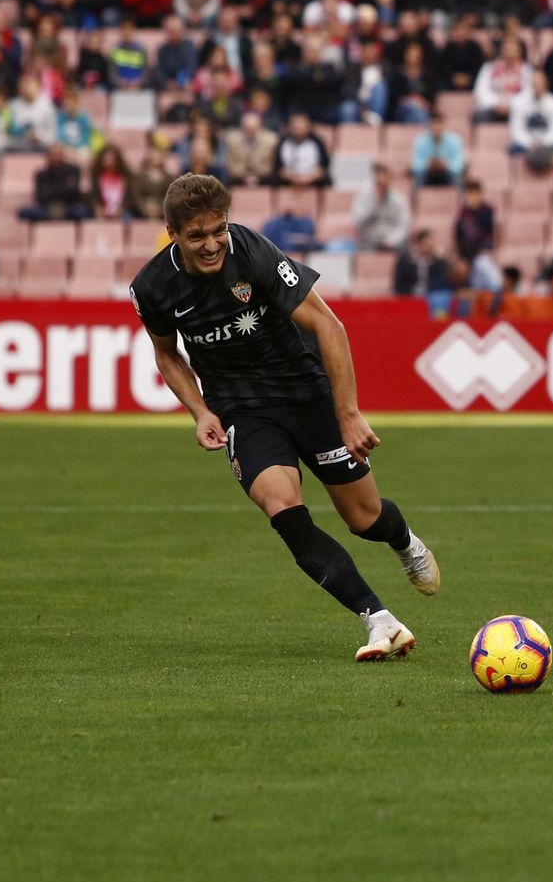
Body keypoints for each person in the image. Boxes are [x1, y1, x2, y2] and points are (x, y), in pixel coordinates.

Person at [128, 174, 439, 661]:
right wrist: (200, 410)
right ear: (172, 233)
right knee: (283, 509)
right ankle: (380, 622)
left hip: (305, 393)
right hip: (243, 410)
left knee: (364, 518)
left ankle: (403, 541)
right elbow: (167, 354)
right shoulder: (152, 287)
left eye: (218, 231)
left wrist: (349, 414)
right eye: (196, 236)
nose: (211, 245)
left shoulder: (252, 254)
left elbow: (327, 324)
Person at [19, 144, 92, 221]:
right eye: (54, 155)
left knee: (82, 211)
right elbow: (40, 196)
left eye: (59, 154)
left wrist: (50, 190)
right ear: (48, 156)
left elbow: (74, 193)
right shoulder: (41, 174)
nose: (56, 158)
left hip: (68, 207)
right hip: (47, 208)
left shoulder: (73, 170)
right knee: (24, 212)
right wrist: (65, 188)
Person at [352, 164, 411, 252]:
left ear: (389, 180)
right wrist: (374, 202)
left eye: (384, 182)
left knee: (405, 251)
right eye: (378, 183)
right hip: (369, 242)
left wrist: (392, 241)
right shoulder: (364, 198)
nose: (381, 185)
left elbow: (404, 225)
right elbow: (358, 221)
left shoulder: (399, 199)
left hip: (393, 242)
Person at [410, 113, 466, 187]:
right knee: (418, 178)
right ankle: (417, 198)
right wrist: (428, 164)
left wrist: (446, 165)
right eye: (433, 124)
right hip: (427, 173)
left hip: (448, 172)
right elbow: (415, 165)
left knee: (458, 178)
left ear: (443, 125)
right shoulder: (420, 141)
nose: (436, 127)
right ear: (429, 126)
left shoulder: (454, 140)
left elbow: (459, 164)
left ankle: (458, 198)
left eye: (438, 124)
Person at [277, 113, 331, 189]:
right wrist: (293, 178)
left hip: (313, 179)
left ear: (308, 127)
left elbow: (323, 167)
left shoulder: (317, 142)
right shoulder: (283, 142)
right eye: (295, 125)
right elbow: (279, 167)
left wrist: (307, 178)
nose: (298, 127)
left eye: (301, 124)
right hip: (288, 180)